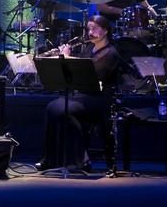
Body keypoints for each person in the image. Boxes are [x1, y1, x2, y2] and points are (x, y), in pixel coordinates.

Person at [36, 15, 122, 172]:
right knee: (52, 107)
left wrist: (67, 58)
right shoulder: (90, 48)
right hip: (84, 96)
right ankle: (51, 159)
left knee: (64, 110)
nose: (90, 32)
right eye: (89, 28)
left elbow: (91, 74)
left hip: (101, 99)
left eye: (94, 28)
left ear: (106, 31)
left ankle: (80, 158)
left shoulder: (110, 53)